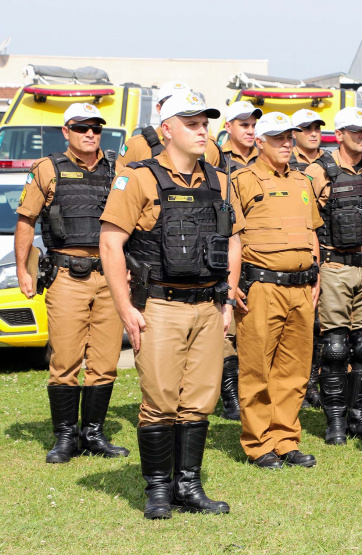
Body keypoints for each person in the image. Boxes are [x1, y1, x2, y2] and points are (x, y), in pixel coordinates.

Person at [100, 92, 243, 519]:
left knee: (199, 400)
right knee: (160, 400)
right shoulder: (137, 178)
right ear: (167, 129)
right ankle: (158, 490)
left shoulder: (220, 180)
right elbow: (110, 241)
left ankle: (189, 486)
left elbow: (233, 240)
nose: (203, 131)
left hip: (208, 306)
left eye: (205, 124)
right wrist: (126, 308)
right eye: (192, 124)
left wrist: (229, 298)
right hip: (159, 306)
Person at [14, 103, 127, 464]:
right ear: (66, 132)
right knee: (65, 360)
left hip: (109, 277)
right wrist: (22, 270)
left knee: (106, 359)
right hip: (66, 276)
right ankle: (66, 436)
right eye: (81, 128)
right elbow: (26, 220)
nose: (90, 134)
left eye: (95, 128)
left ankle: (93, 433)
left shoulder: (116, 169)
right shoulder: (48, 169)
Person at [303, 107, 362, 445]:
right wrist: (315, 270)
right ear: (339, 134)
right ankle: (335, 422)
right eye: (355, 131)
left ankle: (359, 418)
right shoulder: (318, 172)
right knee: (335, 347)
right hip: (335, 267)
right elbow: (308, 224)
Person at [232, 112, 321, 469]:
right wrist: (231, 283)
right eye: (277, 138)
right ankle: (258, 444)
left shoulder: (302, 181)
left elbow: (313, 231)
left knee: (295, 370)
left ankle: (286, 439)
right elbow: (232, 236)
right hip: (261, 286)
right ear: (259, 142)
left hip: (301, 288)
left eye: (289, 137)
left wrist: (316, 274)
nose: (286, 143)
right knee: (257, 368)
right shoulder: (241, 180)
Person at [217, 100, 262, 421]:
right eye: (242, 124)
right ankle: (231, 397)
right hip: (227, 256)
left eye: (252, 125)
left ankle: (256, 393)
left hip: (260, 260)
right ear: (228, 127)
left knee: (257, 332)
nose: (249, 130)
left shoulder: (265, 158)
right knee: (227, 334)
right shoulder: (214, 160)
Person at [289, 108, 327, 408]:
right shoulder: (288, 164)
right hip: (299, 251)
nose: (313, 133)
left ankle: (314, 382)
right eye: (306, 128)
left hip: (327, 250)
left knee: (321, 327)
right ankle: (299, 386)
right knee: (301, 326)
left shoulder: (329, 163)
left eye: (316, 127)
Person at [116, 81, 224, 172]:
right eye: (171, 102)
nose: (179, 106)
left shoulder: (209, 146)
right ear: (159, 108)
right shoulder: (137, 145)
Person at [221, 101, 262, 172]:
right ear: (228, 127)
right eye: (245, 125)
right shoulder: (219, 158)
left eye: (254, 126)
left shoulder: (263, 158)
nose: (251, 131)